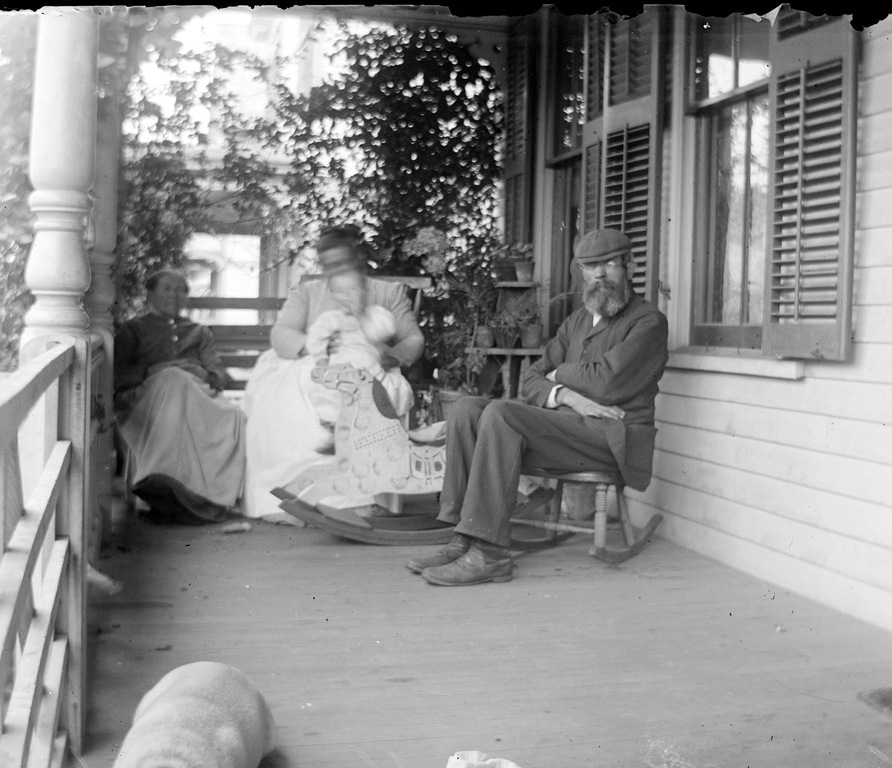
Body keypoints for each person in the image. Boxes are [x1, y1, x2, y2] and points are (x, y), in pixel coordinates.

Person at [405, 228, 668, 586]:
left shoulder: (648, 322)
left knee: (501, 414)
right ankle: (463, 536)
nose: (600, 274)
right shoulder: (575, 322)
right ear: (582, 272)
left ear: (630, 267)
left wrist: (558, 374)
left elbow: (607, 382)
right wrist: (563, 394)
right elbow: (532, 378)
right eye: (590, 266)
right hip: (565, 429)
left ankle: (491, 555)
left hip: (611, 440)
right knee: (468, 409)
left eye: (609, 264)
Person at [241, 226, 424, 520]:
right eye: (327, 265)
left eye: (341, 262)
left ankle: (351, 501)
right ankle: (291, 499)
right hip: (313, 362)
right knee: (284, 401)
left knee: (356, 393)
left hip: (368, 364)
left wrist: (393, 356)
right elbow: (282, 333)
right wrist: (315, 347)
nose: (333, 270)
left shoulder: (386, 293)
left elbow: (412, 338)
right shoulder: (309, 292)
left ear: (357, 260)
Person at [114, 269, 246, 523]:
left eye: (181, 290)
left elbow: (218, 373)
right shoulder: (134, 329)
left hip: (195, 394)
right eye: (167, 288)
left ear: (187, 298)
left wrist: (202, 372)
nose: (174, 295)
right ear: (150, 294)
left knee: (233, 416)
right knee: (173, 380)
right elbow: (118, 375)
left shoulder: (199, 331)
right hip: (146, 398)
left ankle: (204, 496)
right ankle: (161, 484)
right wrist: (152, 370)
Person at [303, 262, 413, 440]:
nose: (347, 296)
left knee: (382, 393)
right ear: (332, 295)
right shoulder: (330, 319)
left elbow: (385, 329)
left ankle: (378, 432)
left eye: (353, 290)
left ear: (364, 293)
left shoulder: (374, 314)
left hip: (369, 368)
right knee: (329, 394)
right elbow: (315, 338)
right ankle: (337, 432)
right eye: (340, 291)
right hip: (340, 368)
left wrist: (362, 316)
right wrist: (322, 358)